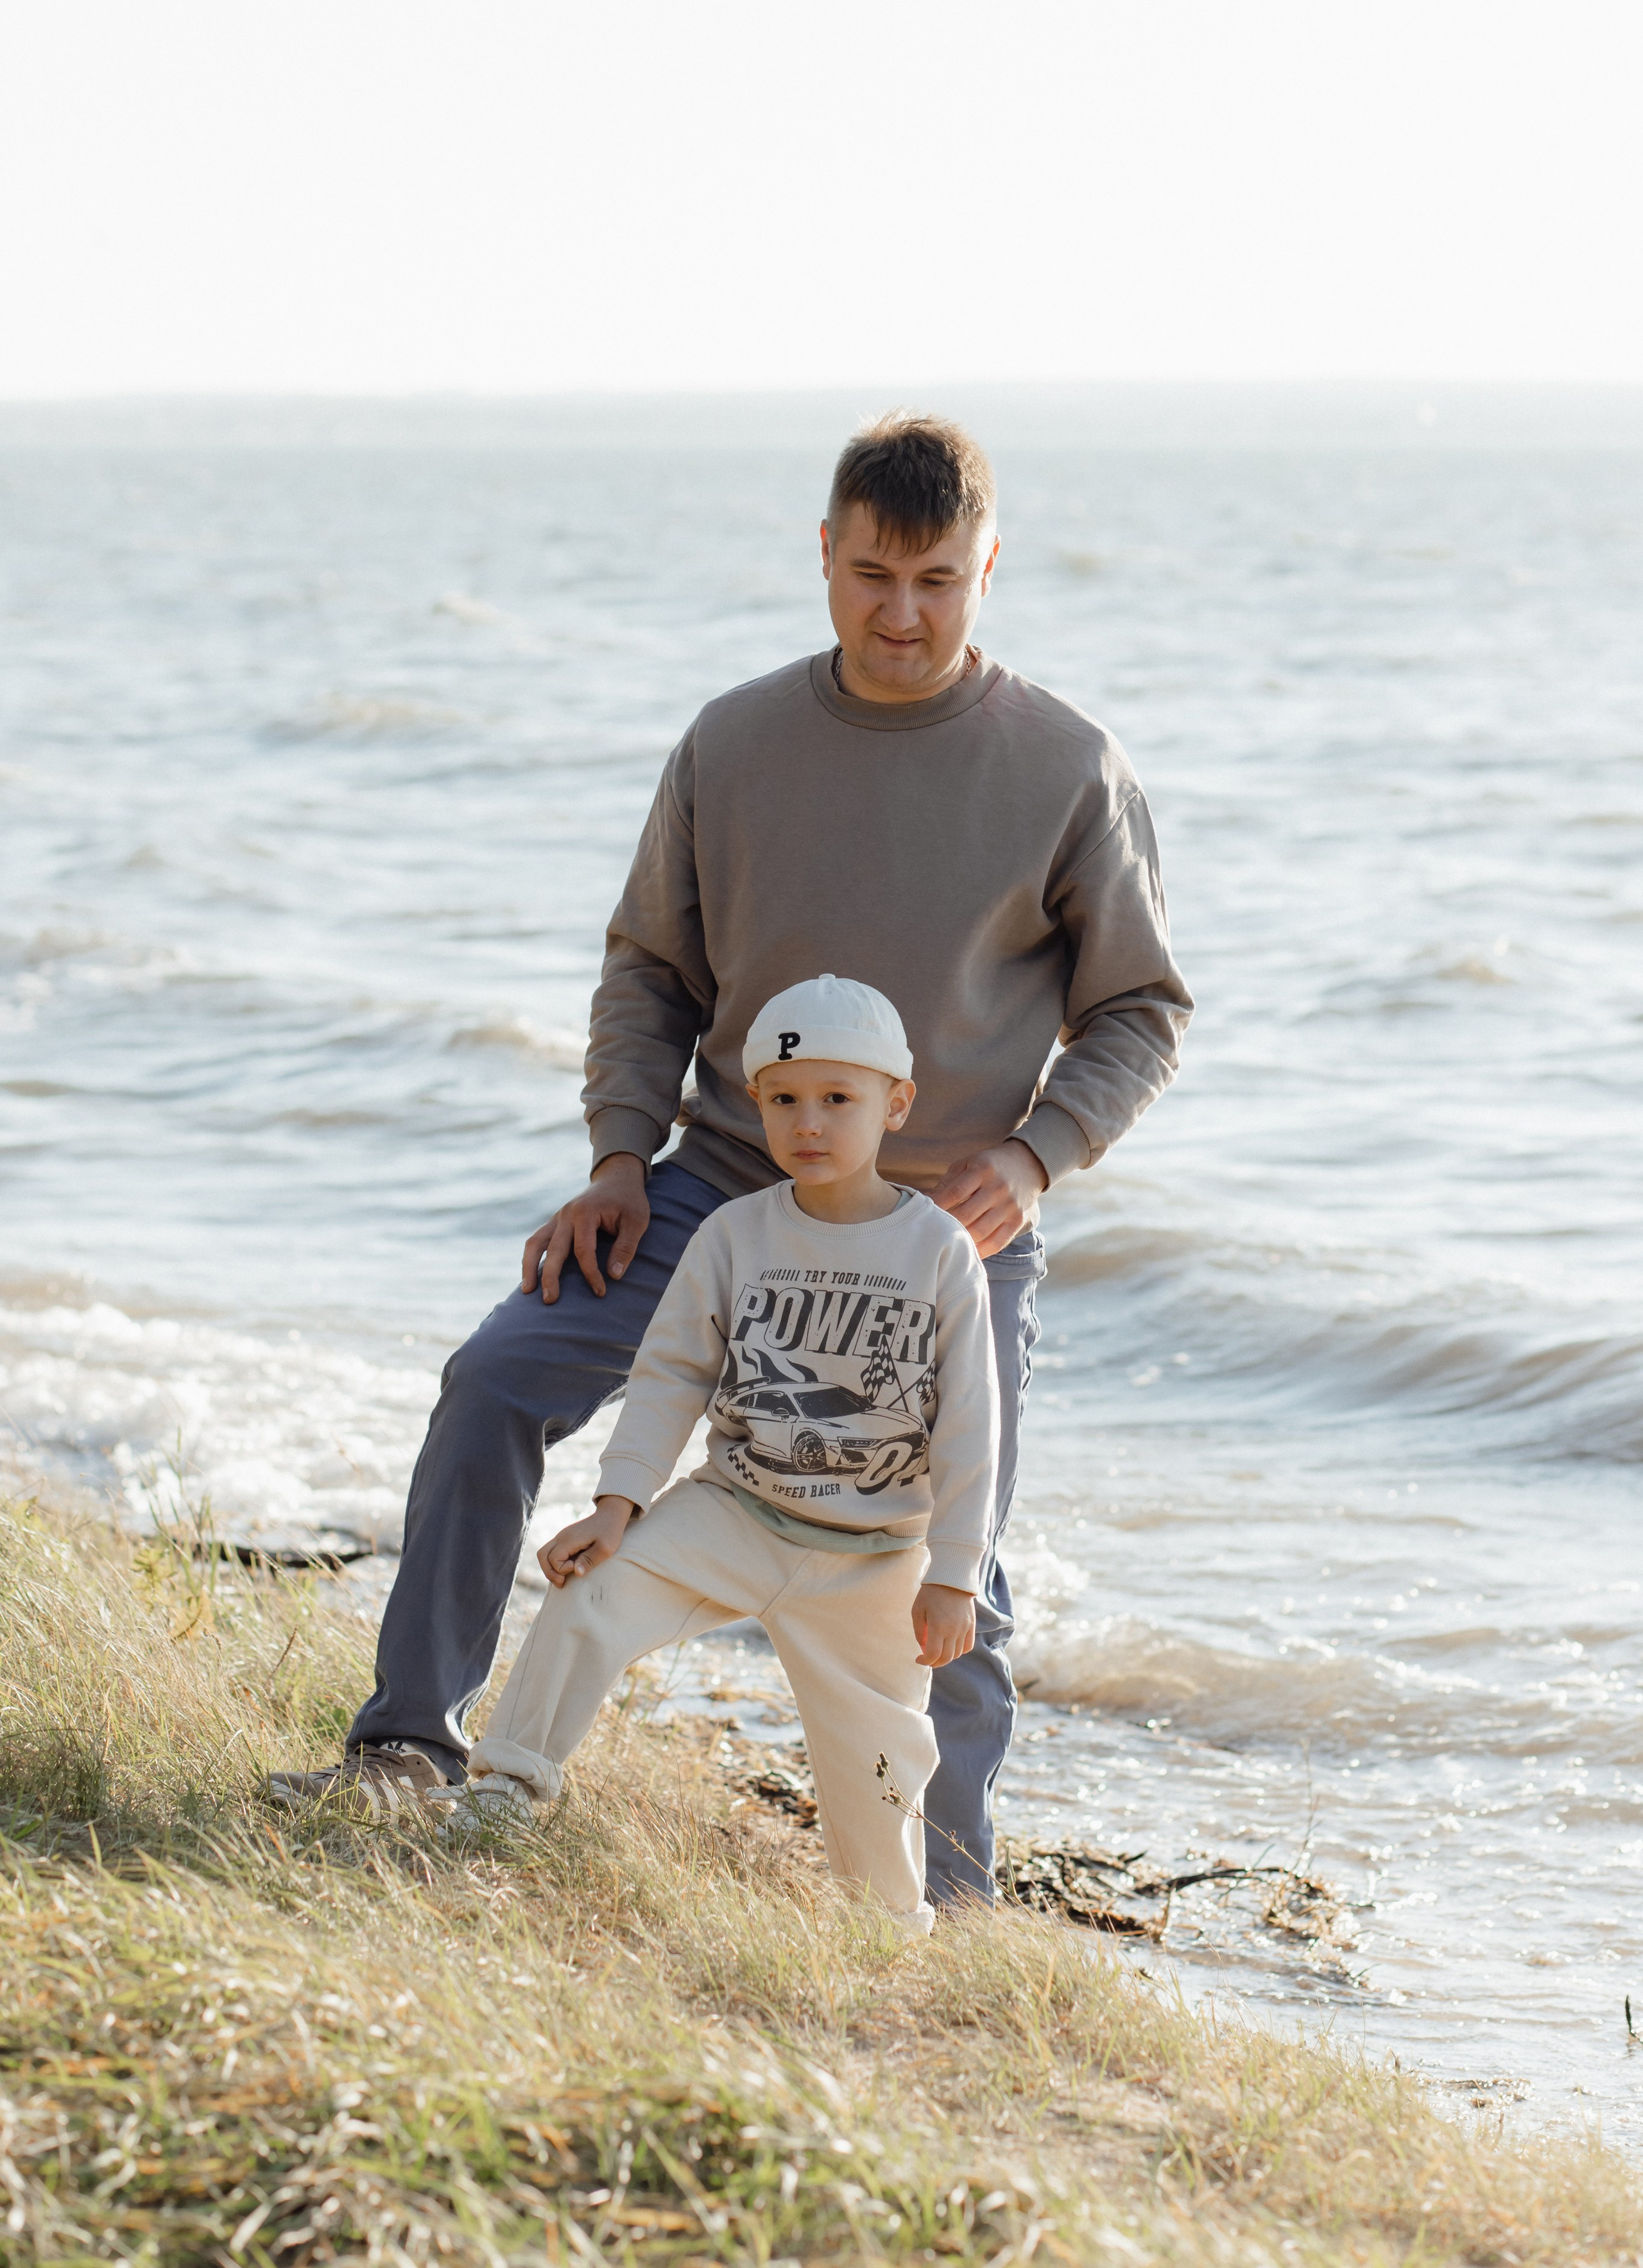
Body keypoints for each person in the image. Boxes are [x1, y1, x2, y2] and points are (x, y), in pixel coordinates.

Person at [270, 410, 1193, 1906]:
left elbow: (1139, 1010)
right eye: (873, 575)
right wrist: (617, 1155)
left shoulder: (1068, 767)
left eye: (938, 582)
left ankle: (948, 1904)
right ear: (823, 555)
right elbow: (650, 969)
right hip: (715, 1186)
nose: (903, 613)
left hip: (945, 1222)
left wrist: (1032, 1161)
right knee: (495, 1381)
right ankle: (406, 1747)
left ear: (987, 569)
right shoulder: (734, 742)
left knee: (954, 1556)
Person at [434, 977, 998, 1936]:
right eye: (784, 1098)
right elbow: (671, 1375)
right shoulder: (735, 1233)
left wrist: (953, 1575)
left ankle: (888, 1934)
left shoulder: (940, 1252)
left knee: (880, 1768)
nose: (808, 1122)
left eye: (838, 1098)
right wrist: (618, 1504)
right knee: (590, 1598)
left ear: (896, 1103)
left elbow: (972, 1428)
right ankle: (502, 1798)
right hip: (735, 1513)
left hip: (872, 1559)